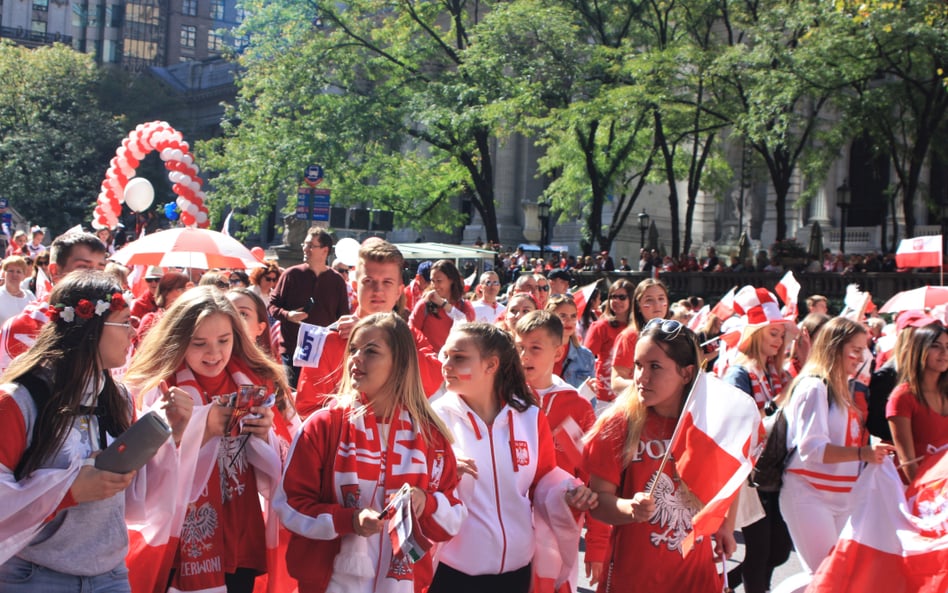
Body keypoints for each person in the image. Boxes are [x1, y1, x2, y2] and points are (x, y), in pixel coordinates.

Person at [0, 271, 189, 592]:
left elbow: (136, 497)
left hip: (111, 575)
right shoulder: (18, 400)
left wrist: (172, 434)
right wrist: (69, 490)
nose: (133, 332)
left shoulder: (119, 398)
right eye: (125, 321)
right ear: (90, 327)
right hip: (34, 577)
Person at [275, 313, 466, 592]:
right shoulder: (324, 425)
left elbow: (453, 517)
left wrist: (426, 502)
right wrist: (348, 520)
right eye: (353, 350)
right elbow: (289, 505)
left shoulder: (431, 435)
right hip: (330, 583)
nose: (355, 358)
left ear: (400, 363)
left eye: (371, 351)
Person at [124, 286, 294, 593]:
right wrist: (200, 429)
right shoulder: (158, 383)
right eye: (199, 343)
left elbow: (286, 454)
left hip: (241, 527)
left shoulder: (253, 379)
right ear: (178, 341)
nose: (214, 353)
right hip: (178, 536)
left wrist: (265, 431)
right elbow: (138, 469)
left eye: (224, 340)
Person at [430, 322, 597, 593]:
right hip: (452, 574)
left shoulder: (529, 416)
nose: (446, 365)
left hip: (517, 572)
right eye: (445, 356)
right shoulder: (434, 418)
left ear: (491, 365)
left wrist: (569, 492)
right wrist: (444, 471)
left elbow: (544, 479)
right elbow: (417, 486)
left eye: (459, 357)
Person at [583, 318, 736, 592]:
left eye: (655, 367)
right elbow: (598, 501)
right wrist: (629, 509)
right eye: (639, 365)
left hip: (696, 577)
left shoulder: (709, 422)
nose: (641, 377)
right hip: (634, 578)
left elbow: (733, 477)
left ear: (687, 373)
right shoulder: (618, 424)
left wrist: (726, 524)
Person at [779, 317, 895, 575]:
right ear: (834, 347)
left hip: (842, 499)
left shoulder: (843, 388)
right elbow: (812, 450)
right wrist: (862, 453)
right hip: (809, 495)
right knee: (828, 578)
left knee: (840, 578)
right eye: (854, 349)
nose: (861, 356)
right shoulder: (814, 387)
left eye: (863, 349)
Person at [295, 239, 443, 417]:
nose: (378, 290)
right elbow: (306, 410)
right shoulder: (324, 339)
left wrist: (382, 338)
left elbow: (434, 382)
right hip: (347, 441)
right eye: (369, 281)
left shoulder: (411, 336)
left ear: (398, 291)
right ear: (356, 287)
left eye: (387, 282)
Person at [720, 288, 795, 593]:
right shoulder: (738, 372)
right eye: (773, 333)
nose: (778, 341)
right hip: (749, 474)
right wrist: (776, 407)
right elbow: (734, 419)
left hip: (773, 472)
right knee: (761, 550)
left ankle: (724, 584)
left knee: (777, 550)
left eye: (781, 335)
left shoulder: (776, 372)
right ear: (755, 335)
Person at [0, 232, 108, 372]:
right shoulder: (24, 327)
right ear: (55, 271)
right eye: (83, 267)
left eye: (101, 269)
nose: (95, 278)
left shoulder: (109, 318)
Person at [269, 228, 350, 388]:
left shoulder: (337, 281)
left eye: (311, 245)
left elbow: (343, 317)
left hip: (322, 354)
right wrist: (288, 315)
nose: (305, 249)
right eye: (304, 244)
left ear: (325, 250)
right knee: (292, 399)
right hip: (292, 351)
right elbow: (272, 305)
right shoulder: (291, 275)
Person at [886, 322, 948, 481]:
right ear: (919, 350)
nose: (944, 352)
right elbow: (907, 461)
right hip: (916, 492)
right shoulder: (902, 397)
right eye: (936, 346)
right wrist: (927, 498)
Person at [609, 279, 670, 401]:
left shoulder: (675, 335)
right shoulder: (629, 336)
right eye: (649, 300)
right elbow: (616, 382)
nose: (657, 304)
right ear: (638, 306)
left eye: (661, 298)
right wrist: (648, 386)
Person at [583, 280, 635, 411]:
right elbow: (585, 358)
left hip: (632, 396)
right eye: (612, 296)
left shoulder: (639, 328)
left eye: (622, 297)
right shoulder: (600, 327)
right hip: (604, 398)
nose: (616, 301)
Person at [408, 259, 475, 352]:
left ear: (451, 280)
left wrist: (443, 304)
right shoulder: (424, 304)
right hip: (429, 362)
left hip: (455, 362)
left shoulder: (464, 306)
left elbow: (470, 329)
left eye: (439, 281)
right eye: (432, 281)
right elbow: (410, 333)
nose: (435, 285)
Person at [546, 294, 595, 389]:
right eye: (562, 316)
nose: (569, 321)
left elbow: (591, 400)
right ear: (549, 317)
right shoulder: (538, 351)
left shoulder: (586, 356)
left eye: (573, 316)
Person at [135, 271, 190, 344]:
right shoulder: (150, 320)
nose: (186, 293)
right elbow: (142, 349)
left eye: (188, 290)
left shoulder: (190, 318)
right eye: (181, 289)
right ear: (166, 293)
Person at [228, 288, 281, 363]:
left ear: (260, 328)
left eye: (243, 314)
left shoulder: (269, 372)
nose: (233, 318)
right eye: (227, 311)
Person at [0, 256, 35, 326]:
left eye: (18, 272)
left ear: (24, 276)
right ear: (4, 273)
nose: (14, 274)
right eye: (11, 271)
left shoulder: (29, 295)